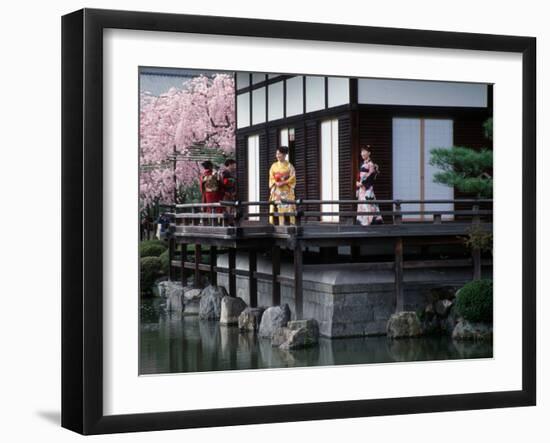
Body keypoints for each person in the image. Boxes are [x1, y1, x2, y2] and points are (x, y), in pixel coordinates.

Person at [356, 145, 383, 226]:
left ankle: (370, 222)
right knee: (362, 206)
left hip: (367, 188)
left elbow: (371, 177)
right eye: (361, 151)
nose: (362, 153)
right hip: (362, 188)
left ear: (369, 153)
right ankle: (363, 223)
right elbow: (359, 175)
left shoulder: (371, 164)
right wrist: (357, 183)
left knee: (368, 205)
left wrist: (362, 183)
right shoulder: (363, 164)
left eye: (364, 151)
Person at [269, 146, 296, 224]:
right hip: (277, 189)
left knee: (289, 206)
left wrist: (284, 182)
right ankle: (277, 224)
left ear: (284, 155)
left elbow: (293, 177)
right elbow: (271, 176)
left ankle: (292, 224)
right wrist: (275, 182)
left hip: (286, 189)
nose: (277, 155)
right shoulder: (273, 166)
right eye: (277, 153)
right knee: (277, 206)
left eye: (279, 154)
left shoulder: (289, 166)